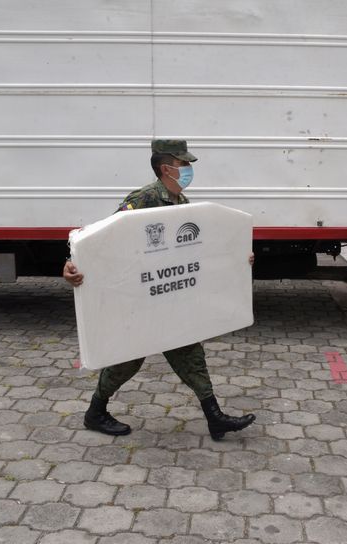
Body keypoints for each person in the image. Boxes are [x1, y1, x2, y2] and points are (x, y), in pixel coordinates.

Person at [63, 139, 256, 440]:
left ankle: (214, 417)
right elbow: (101, 238)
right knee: (128, 359)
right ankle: (95, 412)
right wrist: (71, 264)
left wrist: (238, 260)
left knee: (190, 351)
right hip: (139, 298)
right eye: (184, 164)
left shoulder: (182, 205)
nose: (189, 169)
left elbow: (199, 251)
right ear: (167, 168)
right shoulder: (144, 199)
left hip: (169, 297)